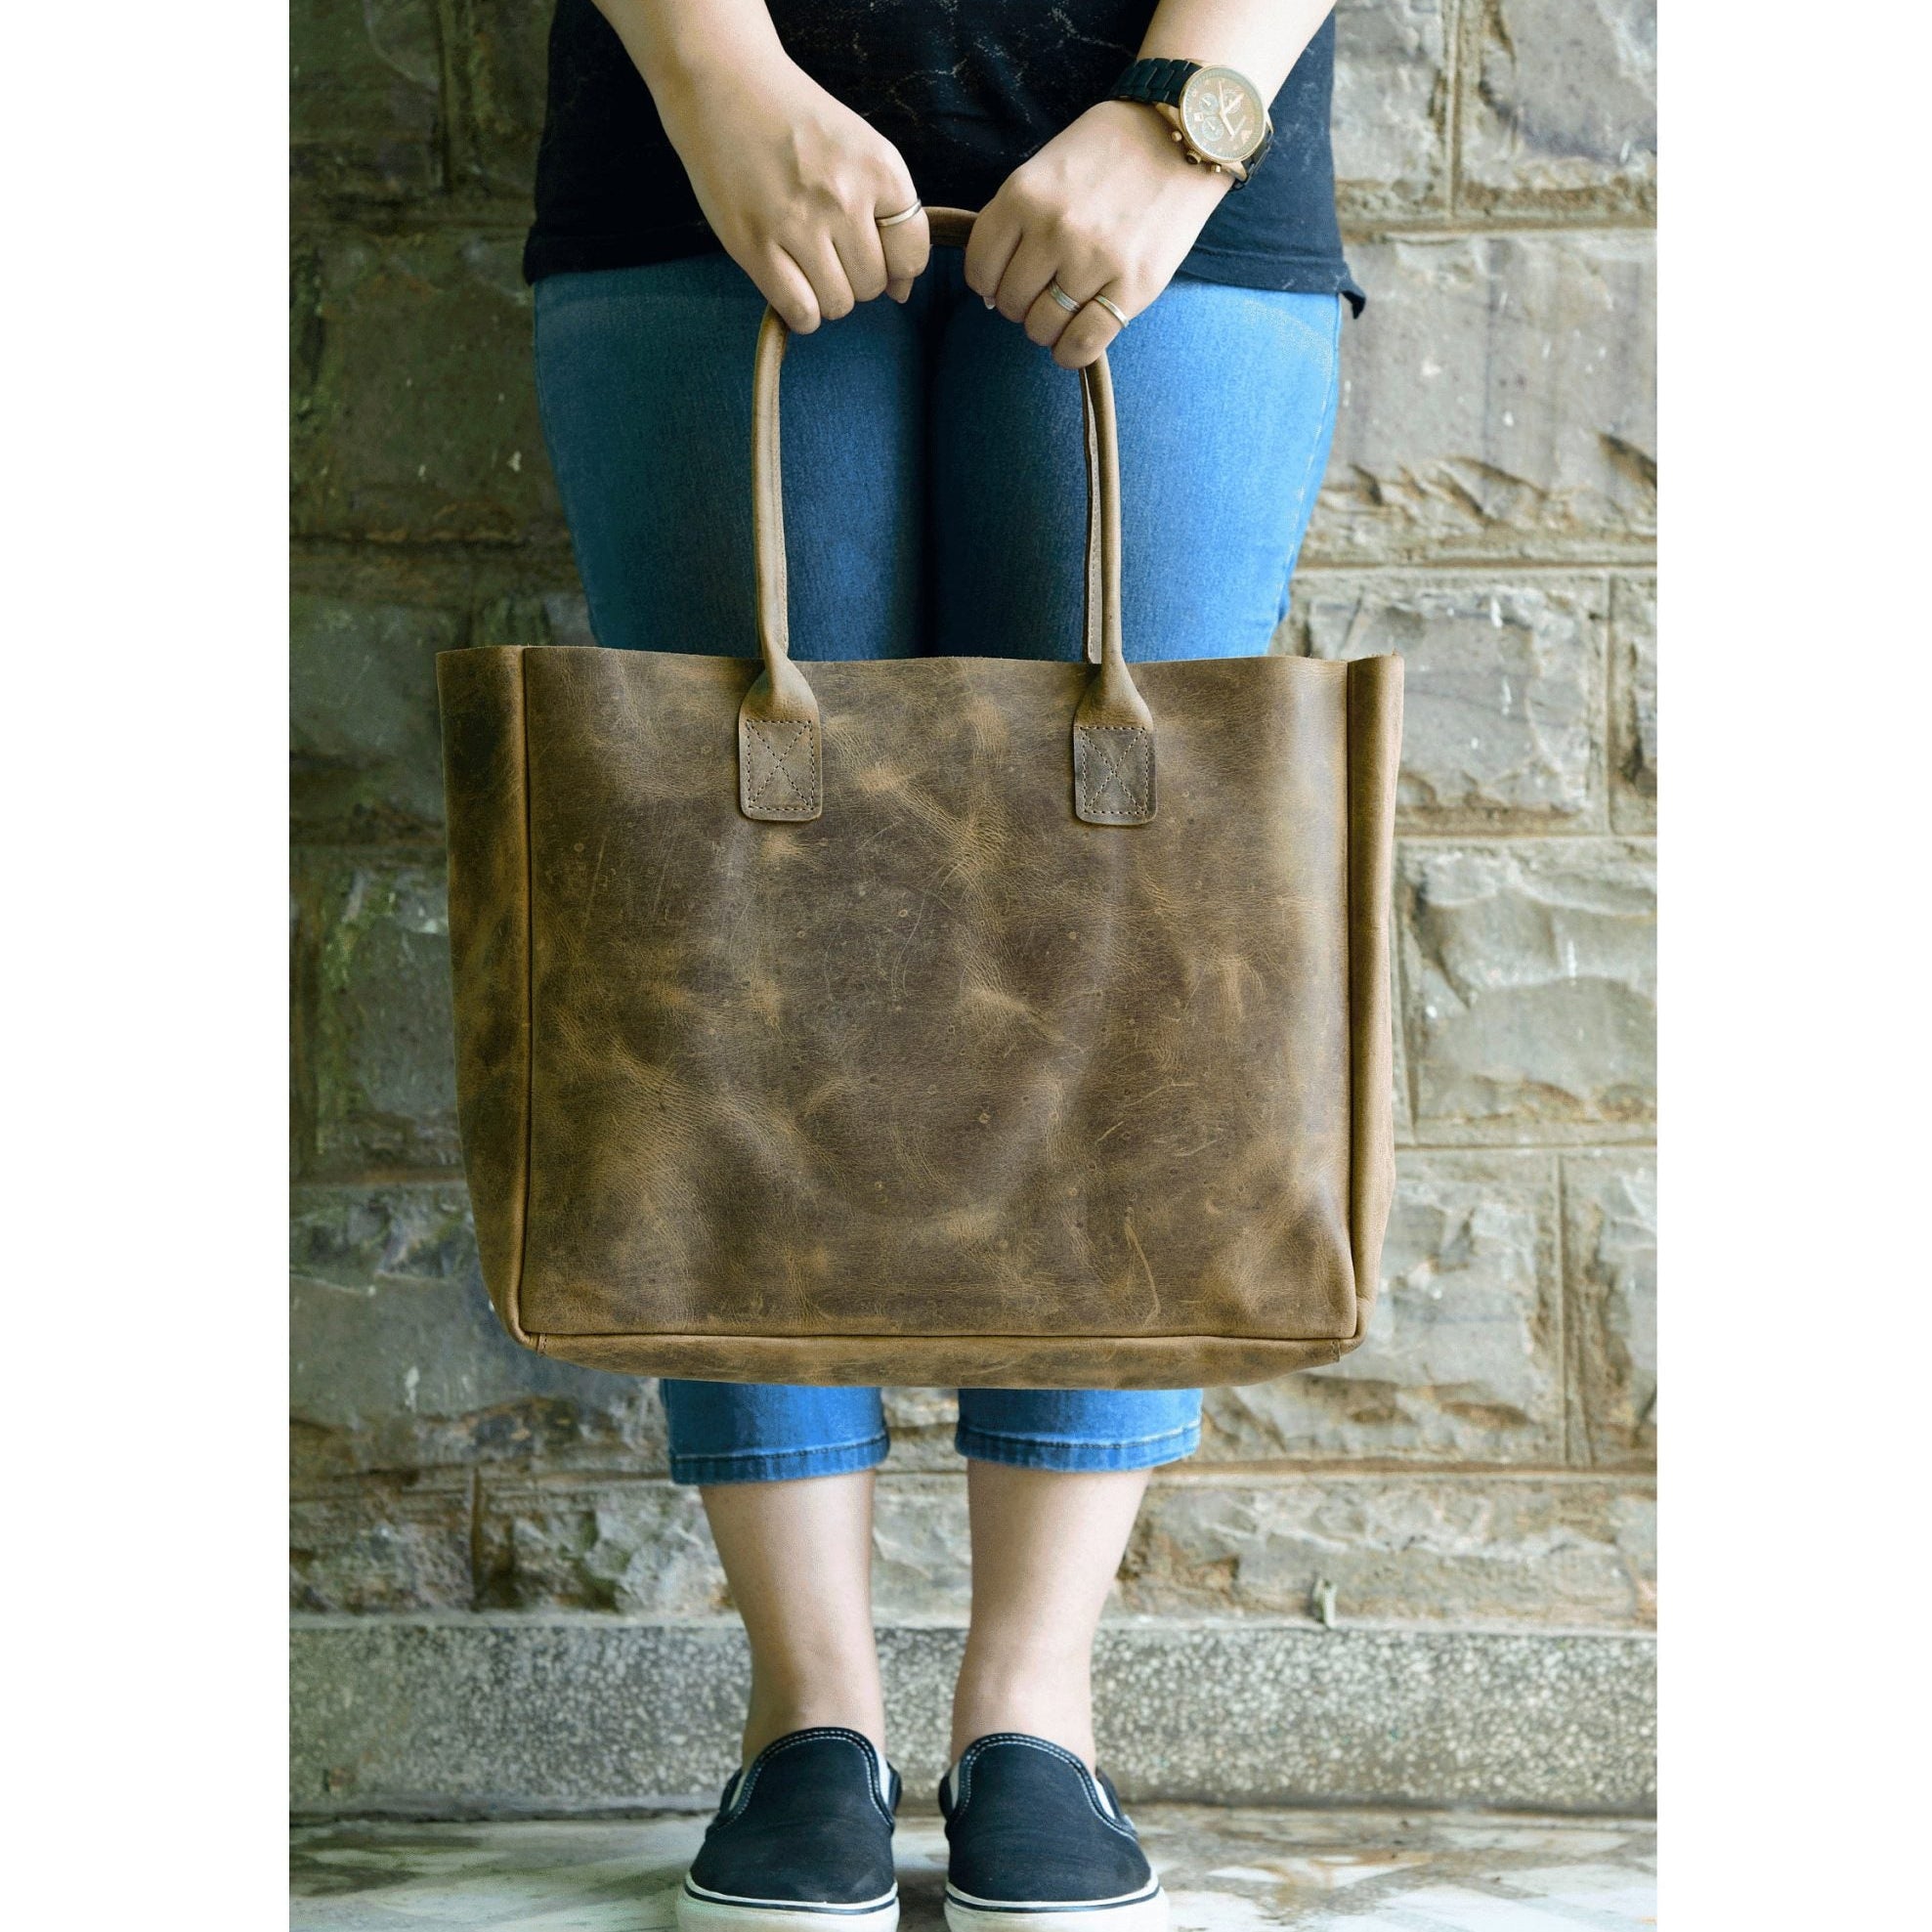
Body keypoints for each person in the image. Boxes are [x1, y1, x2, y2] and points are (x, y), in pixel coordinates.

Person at [523, 4, 1359, 1926]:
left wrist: (1189, 110)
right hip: (692, 153)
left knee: (1123, 944)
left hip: (1183, 179)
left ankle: (1028, 1708)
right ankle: (804, 1710)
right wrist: (713, 74)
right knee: (722, 918)